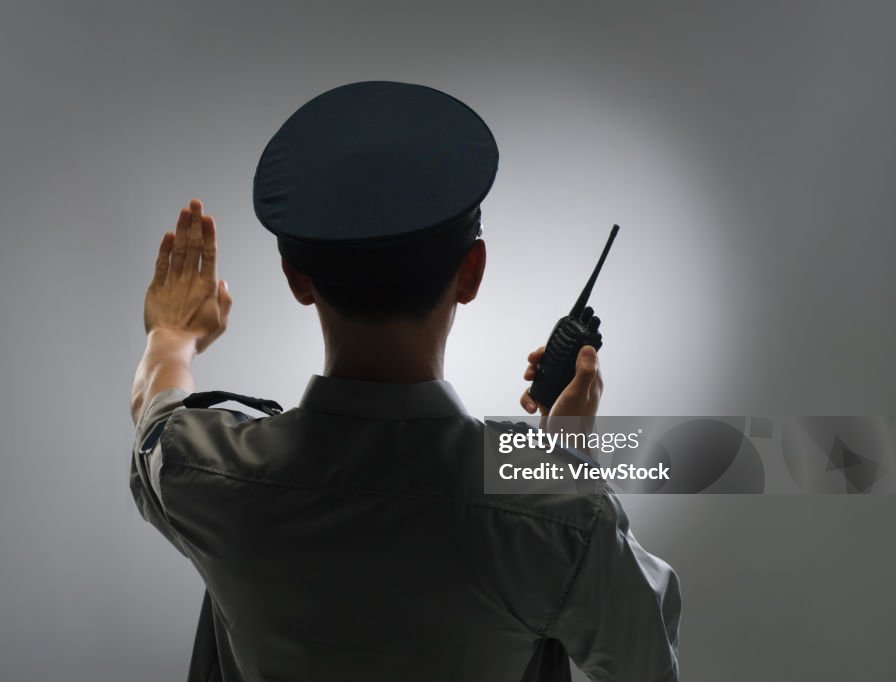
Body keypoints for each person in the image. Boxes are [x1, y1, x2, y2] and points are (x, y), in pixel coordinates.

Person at [129, 81, 681, 682]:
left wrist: (173, 335)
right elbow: (645, 666)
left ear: (297, 278)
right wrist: (562, 460)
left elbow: (156, 416)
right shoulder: (559, 519)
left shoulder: (204, 473)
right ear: (472, 271)